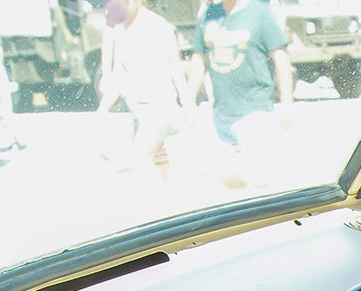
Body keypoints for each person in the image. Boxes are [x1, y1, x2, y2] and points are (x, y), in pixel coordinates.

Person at [186, 0, 293, 188]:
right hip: (220, 116)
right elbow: (198, 59)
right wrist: (188, 102)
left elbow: (281, 59)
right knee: (229, 184)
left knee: (259, 182)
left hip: (255, 111)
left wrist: (286, 104)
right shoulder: (210, 14)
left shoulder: (260, 13)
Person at [98, 0, 189, 180]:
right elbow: (119, 73)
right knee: (159, 155)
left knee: (142, 156)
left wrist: (188, 103)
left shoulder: (159, 26)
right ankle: (168, 193)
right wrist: (103, 107)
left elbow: (175, 68)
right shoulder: (120, 30)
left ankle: (155, 199)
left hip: (159, 104)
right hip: (137, 106)